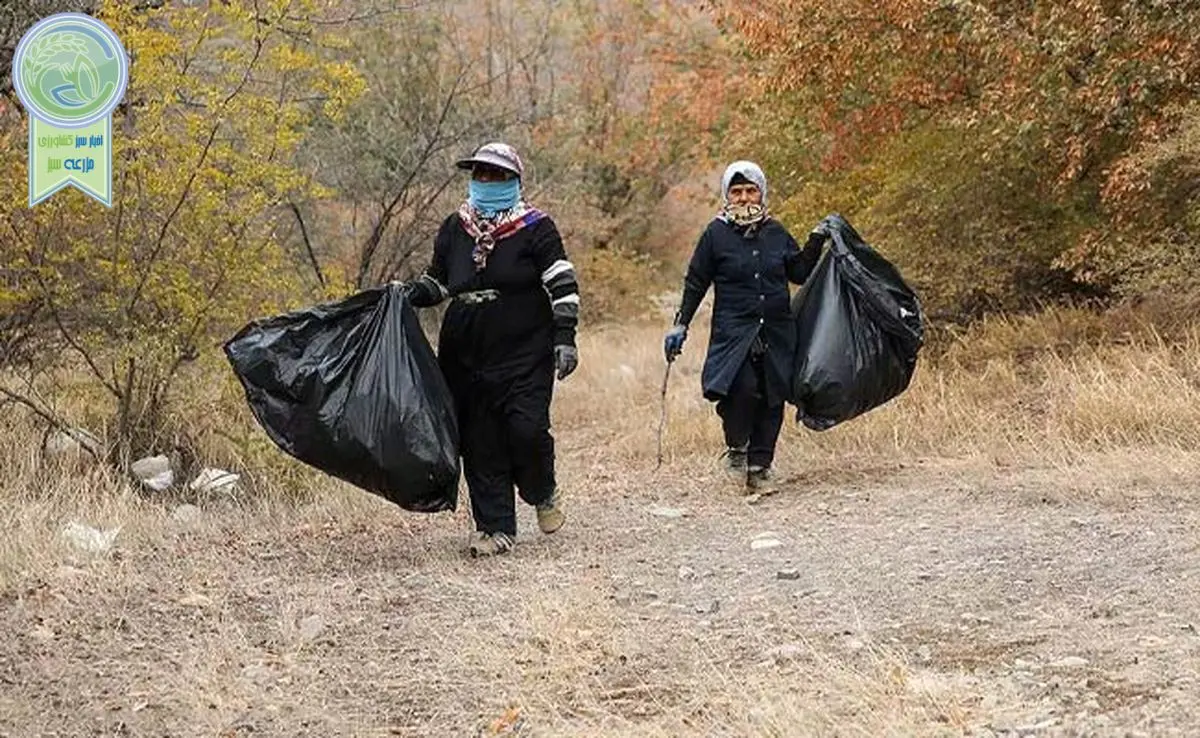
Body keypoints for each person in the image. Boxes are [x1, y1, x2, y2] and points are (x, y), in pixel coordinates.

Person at [399, 142, 579, 557]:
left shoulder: (537, 227)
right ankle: (494, 527)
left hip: (525, 347)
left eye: (497, 176)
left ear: (515, 180)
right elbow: (439, 282)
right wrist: (407, 295)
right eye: (480, 174)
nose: (487, 182)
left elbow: (562, 282)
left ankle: (542, 489)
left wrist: (565, 337)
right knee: (479, 440)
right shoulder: (454, 227)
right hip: (465, 350)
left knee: (526, 429)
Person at [663, 160, 828, 494]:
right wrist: (680, 324)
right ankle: (737, 444)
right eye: (736, 191)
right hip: (734, 331)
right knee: (742, 389)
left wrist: (817, 241)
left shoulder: (776, 232)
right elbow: (696, 282)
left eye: (750, 190)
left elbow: (797, 273)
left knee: (771, 395)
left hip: (777, 331)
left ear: (761, 192)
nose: (743, 197)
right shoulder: (715, 235)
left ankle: (760, 469)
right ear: (727, 195)